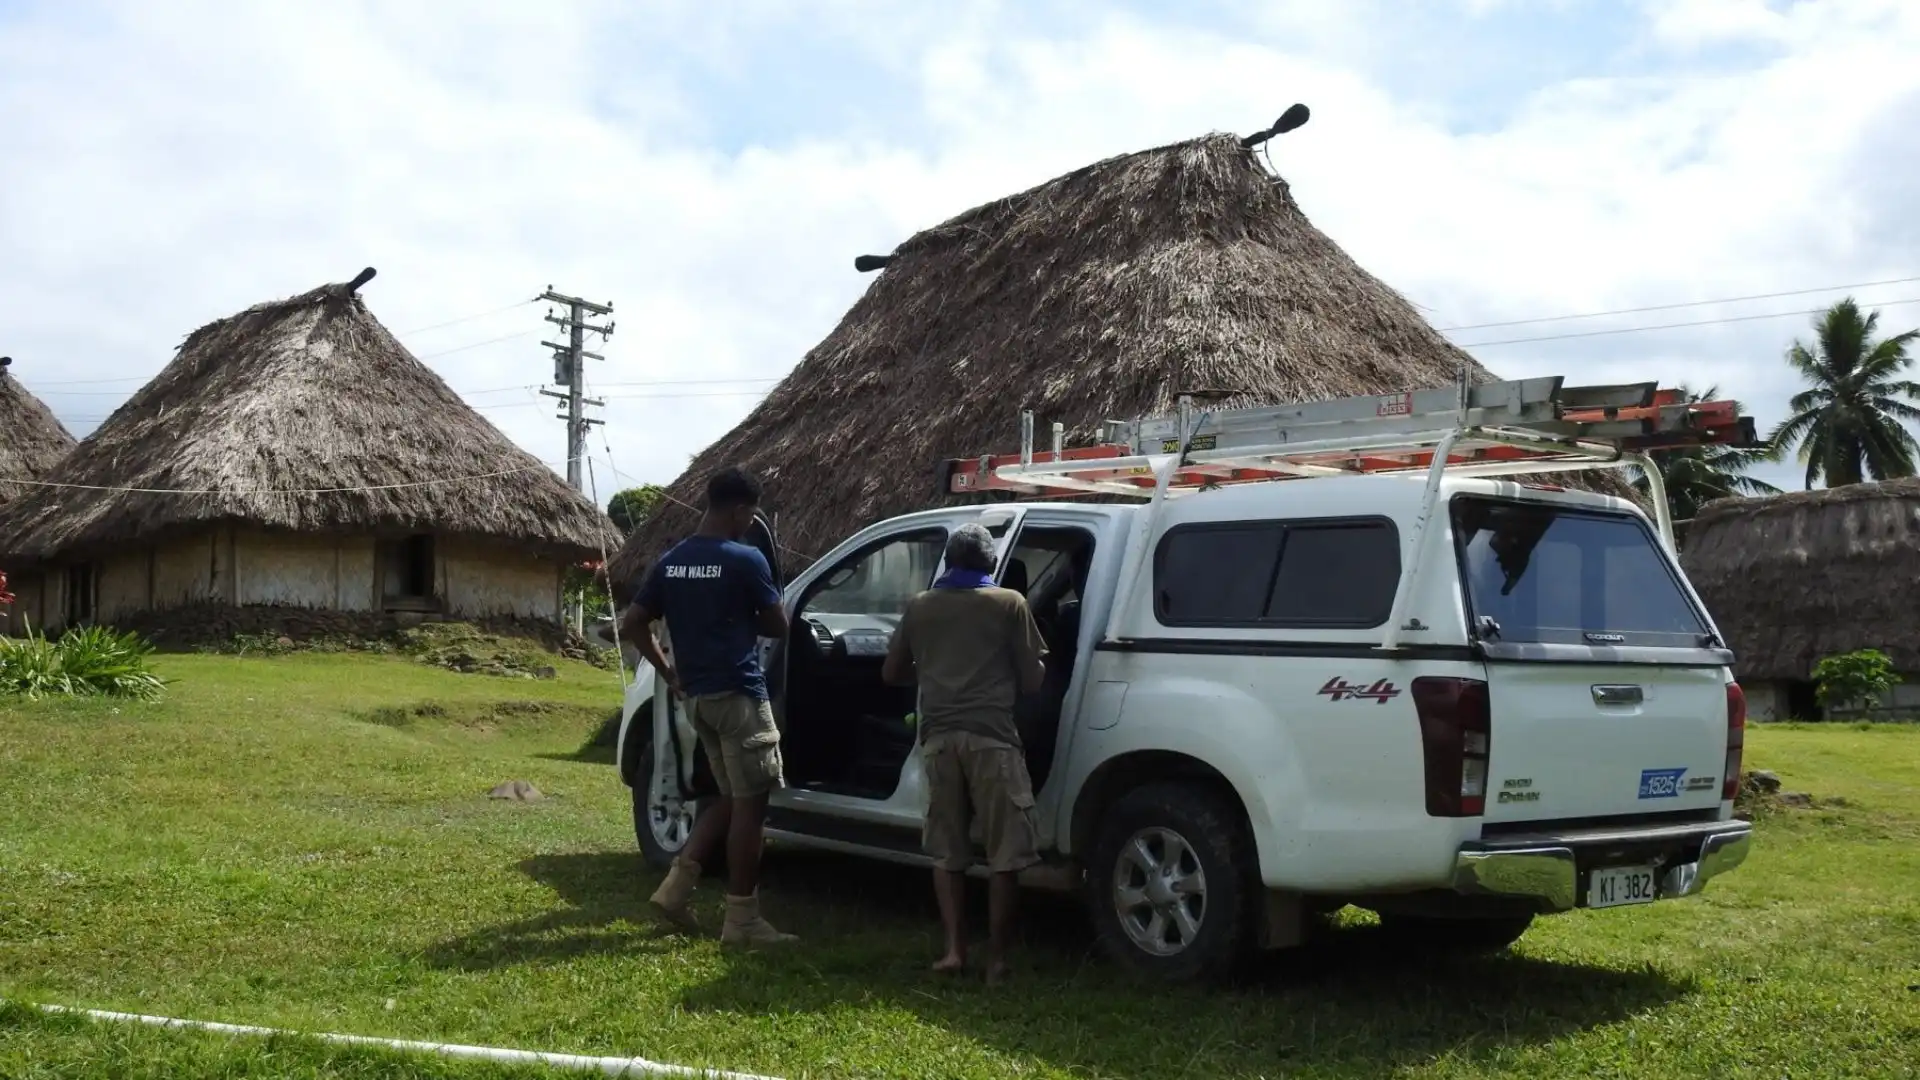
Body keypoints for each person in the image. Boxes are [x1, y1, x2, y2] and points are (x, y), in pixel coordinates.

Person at [623, 466, 796, 947]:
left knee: (726, 797)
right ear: (740, 510)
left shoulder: (672, 560)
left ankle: (677, 888)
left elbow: (634, 622)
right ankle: (742, 919)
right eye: (750, 514)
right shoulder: (745, 560)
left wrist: (670, 675)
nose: (749, 522)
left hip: (697, 698)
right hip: (739, 696)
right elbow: (778, 624)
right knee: (752, 805)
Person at [882, 523, 1047, 984]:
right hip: (993, 739)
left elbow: (891, 672)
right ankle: (996, 960)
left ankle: (954, 951)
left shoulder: (920, 606)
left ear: (950, 562)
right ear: (991, 562)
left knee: (947, 851)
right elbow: (1033, 681)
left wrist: (933, 667)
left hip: (938, 740)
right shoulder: (1009, 604)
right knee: (1005, 852)